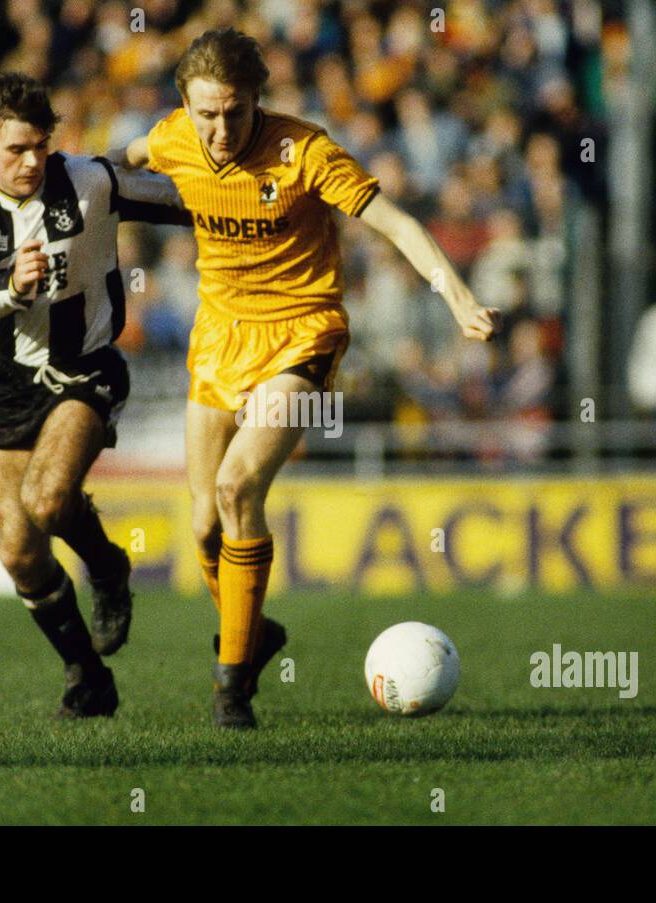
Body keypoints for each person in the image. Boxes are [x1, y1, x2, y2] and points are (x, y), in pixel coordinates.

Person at [113, 29, 503, 728]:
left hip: (303, 329)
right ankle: (256, 635)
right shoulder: (171, 136)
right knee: (203, 527)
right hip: (217, 337)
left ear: (257, 99)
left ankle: (231, 682)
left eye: (234, 111)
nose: (221, 128)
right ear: (185, 105)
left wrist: (456, 295)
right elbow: (120, 162)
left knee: (237, 489)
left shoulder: (305, 151)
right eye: (207, 113)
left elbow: (396, 223)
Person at [0, 73, 189, 716]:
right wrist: (12, 285)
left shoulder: (89, 180)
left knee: (48, 499)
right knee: (19, 552)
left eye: (41, 147)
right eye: (17, 149)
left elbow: (184, 199)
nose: (31, 162)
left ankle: (106, 567)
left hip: (89, 367)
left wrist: (264, 196)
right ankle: (87, 675)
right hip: (13, 381)